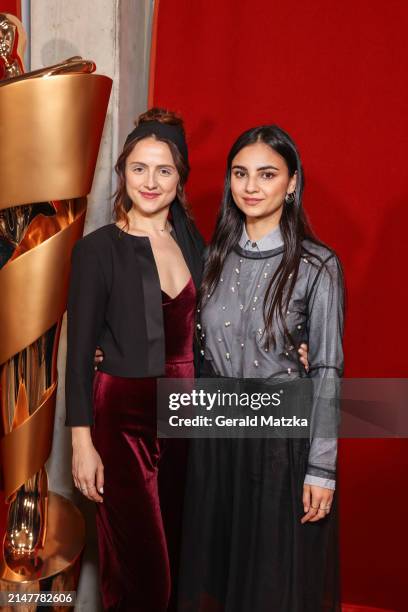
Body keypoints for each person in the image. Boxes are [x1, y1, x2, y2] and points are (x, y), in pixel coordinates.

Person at [178, 125, 344, 611]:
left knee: (269, 587)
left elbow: (329, 369)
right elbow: (184, 343)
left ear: (291, 183)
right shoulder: (211, 259)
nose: (251, 186)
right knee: (219, 581)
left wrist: (322, 468)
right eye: (240, 173)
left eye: (267, 174)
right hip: (215, 441)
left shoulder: (318, 266)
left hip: (279, 448)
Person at [65, 108, 206, 612]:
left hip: (187, 421)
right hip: (124, 423)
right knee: (142, 574)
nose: (151, 181)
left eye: (164, 169)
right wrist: (82, 443)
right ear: (122, 172)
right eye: (139, 168)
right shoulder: (97, 250)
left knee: (180, 557)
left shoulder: (193, 244)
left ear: (180, 177)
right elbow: (79, 353)